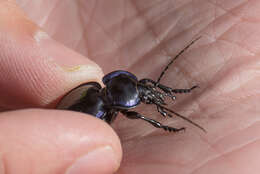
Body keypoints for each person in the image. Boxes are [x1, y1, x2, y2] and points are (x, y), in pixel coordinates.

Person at [0, 0, 258, 173]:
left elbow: (142, 86)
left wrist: (164, 92)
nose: (147, 93)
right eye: (142, 95)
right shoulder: (99, 99)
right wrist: (165, 123)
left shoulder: (95, 86)